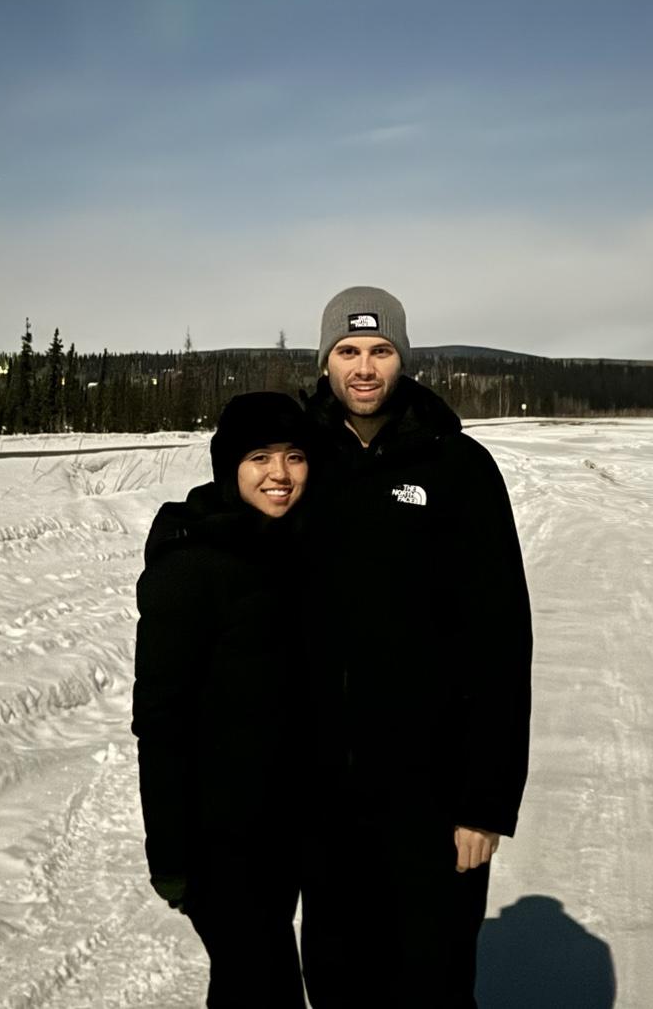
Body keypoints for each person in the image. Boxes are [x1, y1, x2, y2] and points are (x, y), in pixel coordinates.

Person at [298, 286, 532, 1008]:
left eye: (380, 350)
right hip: (326, 797)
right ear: (326, 361)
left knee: (433, 983)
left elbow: (501, 641)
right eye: (347, 350)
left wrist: (486, 802)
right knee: (337, 983)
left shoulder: (458, 466)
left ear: (403, 358)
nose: (364, 367)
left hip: (433, 796)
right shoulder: (298, 463)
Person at [132, 391, 314, 1008]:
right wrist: (170, 854)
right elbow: (160, 719)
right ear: (227, 466)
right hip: (218, 841)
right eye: (259, 457)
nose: (279, 474)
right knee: (261, 985)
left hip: (281, 832)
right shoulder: (191, 564)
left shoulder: (292, 547)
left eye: (294, 456)